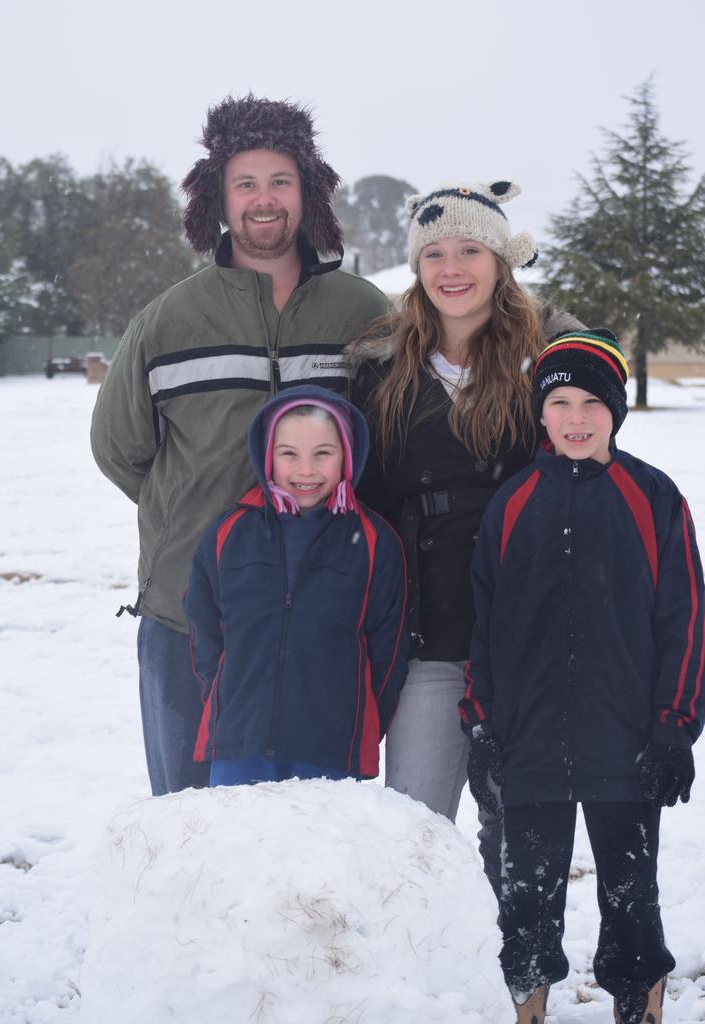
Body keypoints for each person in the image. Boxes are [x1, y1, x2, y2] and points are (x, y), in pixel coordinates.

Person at [90, 95, 388, 796]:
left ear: (307, 192)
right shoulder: (170, 318)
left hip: (324, 613)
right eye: (245, 183)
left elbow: (399, 435)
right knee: (191, 830)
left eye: (281, 181)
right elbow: (118, 447)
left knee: (311, 836)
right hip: (188, 614)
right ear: (217, 198)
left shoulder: (365, 313)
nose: (263, 200)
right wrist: (192, 513)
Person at [461, 330, 704, 1024]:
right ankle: (528, 1006)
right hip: (527, 740)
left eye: (592, 402)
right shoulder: (510, 504)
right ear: (539, 412)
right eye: (559, 401)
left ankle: (640, 1003)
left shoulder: (653, 498)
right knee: (527, 898)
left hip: (627, 743)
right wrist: (481, 724)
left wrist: (673, 729)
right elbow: (483, 627)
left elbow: (686, 622)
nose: (575, 417)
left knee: (631, 895)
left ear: (616, 410)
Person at [347, 179, 581, 890]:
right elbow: (366, 502)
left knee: (523, 839)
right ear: (417, 268)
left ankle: (520, 985)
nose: (453, 268)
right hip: (431, 640)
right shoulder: (382, 372)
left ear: (500, 261)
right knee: (414, 832)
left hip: (526, 640)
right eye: (435, 253)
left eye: (471, 250)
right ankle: (423, 981)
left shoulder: (550, 363)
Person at [183, 385, 409, 785]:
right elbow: (205, 631)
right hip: (240, 744)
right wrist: (226, 698)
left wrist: (357, 720)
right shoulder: (229, 534)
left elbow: (387, 655)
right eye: (289, 454)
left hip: (331, 751)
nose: (306, 471)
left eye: (323, 453)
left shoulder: (376, 543)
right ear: (267, 455)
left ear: (347, 455)